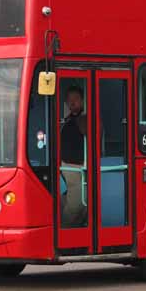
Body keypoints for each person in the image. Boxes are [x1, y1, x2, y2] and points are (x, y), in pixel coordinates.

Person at [59, 84, 87, 226]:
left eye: (76, 99)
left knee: (83, 204)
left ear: (83, 100)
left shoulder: (85, 117)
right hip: (70, 166)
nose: (72, 102)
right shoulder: (68, 119)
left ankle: (76, 234)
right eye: (69, 99)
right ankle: (63, 230)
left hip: (82, 166)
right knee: (76, 204)